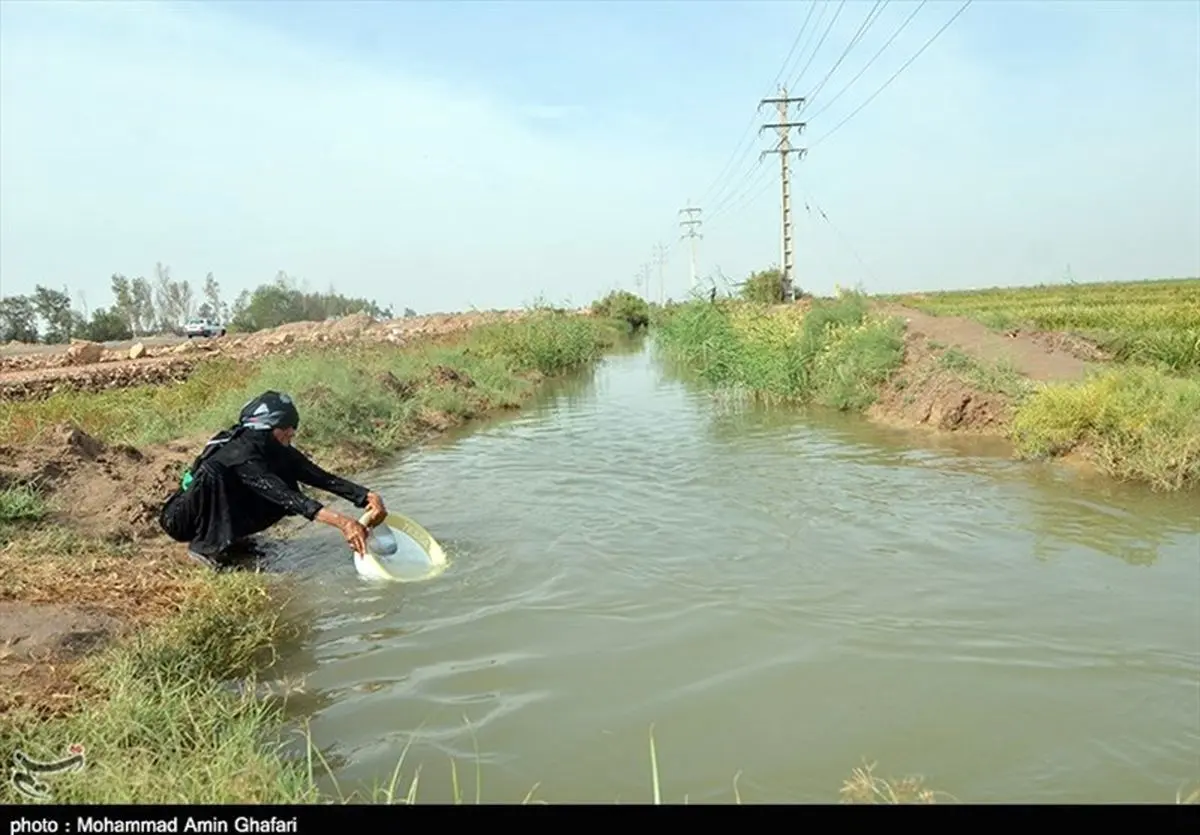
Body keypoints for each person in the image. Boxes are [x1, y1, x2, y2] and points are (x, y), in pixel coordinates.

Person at [158, 390, 388, 570]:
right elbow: (287, 497)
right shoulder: (240, 454)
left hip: (211, 509)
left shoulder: (272, 448)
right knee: (217, 474)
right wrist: (344, 523)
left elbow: (317, 476)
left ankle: (231, 539)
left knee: (285, 479)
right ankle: (205, 548)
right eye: (285, 428)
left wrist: (365, 496)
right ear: (267, 428)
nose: (291, 432)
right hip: (180, 519)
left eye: (292, 427)